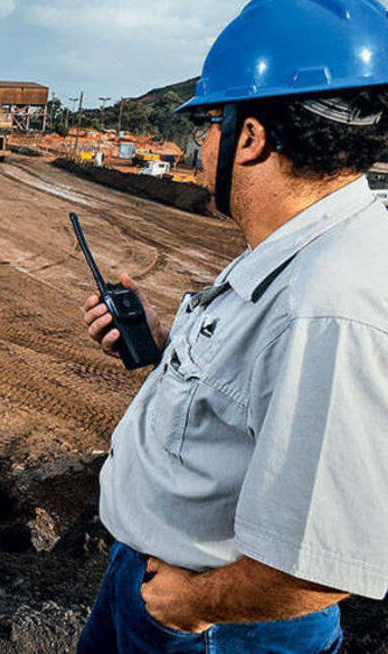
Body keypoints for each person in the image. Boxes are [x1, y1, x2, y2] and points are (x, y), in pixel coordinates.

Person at [77, 1, 388, 652]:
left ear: (249, 138)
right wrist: (164, 346)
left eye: (206, 124)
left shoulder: (329, 301)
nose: (198, 146)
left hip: (221, 621)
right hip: (163, 584)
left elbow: (318, 562)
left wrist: (185, 606)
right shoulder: (304, 243)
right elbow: (261, 394)